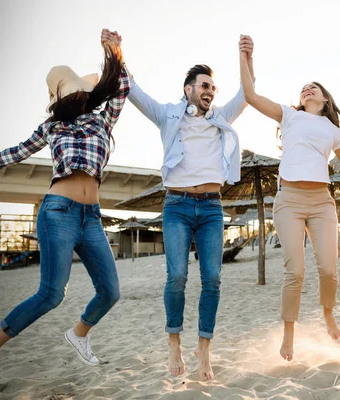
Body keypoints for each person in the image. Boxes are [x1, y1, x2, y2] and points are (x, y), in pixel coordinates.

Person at [100, 29, 252, 380]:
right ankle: (173, 342)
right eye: (204, 85)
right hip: (177, 207)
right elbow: (133, 88)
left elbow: (247, 94)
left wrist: (246, 56)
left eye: (213, 87)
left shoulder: (221, 118)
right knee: (178, 276)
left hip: (212, 208)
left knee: (212, 278)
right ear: (189, 89)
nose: (210, 91)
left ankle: (204, 349)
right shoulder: (167, 115)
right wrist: (115, 51)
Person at [0, 37, 129, 396]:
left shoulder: (102, 121)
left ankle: (79, 334)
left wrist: (114, 51)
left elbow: (122, 87)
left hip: (90, 216)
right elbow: (16, 152)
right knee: (51, 294)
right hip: (57, 212)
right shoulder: (51, 128)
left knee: (110, 291)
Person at [239, 35, 340, 361]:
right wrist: (245, 57)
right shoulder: (289, 116)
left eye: (314, 86)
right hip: (288, 200)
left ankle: (328, 311)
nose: (307, 88)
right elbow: (250, 94)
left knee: (329, 269)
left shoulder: (334, 131)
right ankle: (289, 333)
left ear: (325, 99)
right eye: (304, 87)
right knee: (296, 271)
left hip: (321, 202)